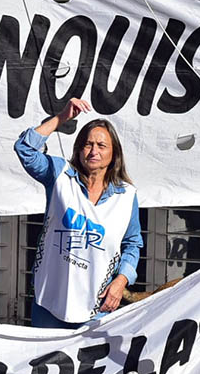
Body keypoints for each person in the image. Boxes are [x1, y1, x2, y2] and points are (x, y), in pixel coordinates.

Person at [14, 98, 142, 328]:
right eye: (88, 144)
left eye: (101, 146)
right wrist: (61, 118)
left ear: (114, 154)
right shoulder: (60, 176)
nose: (93, 151)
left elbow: (132, 244)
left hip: (97, 308)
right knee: (44, 363)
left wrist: (122, 281)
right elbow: (25, 149)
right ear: (79, 148)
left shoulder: (127, 196)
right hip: (49, 303)